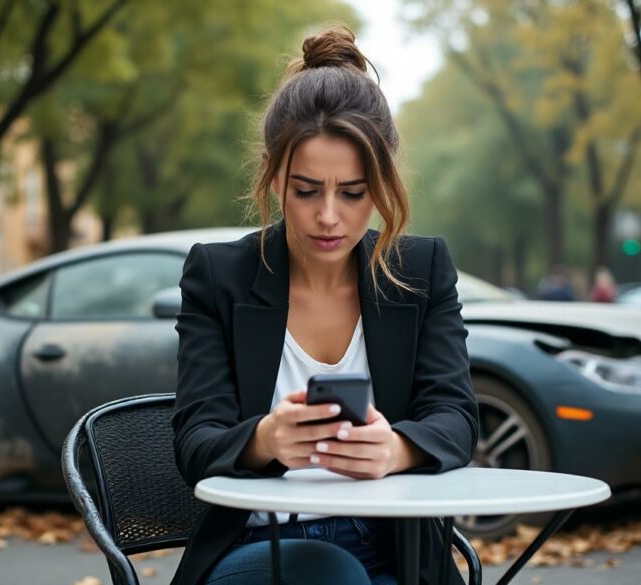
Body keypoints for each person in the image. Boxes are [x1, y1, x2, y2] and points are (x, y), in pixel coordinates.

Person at [170, 27, 479, 585]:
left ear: (381, 183)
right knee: (330, 572)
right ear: (274, 176)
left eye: (353, 193)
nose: (329, 216)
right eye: (307, 190)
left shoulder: (421, 271)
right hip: (256, 546)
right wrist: (266, 439)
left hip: (394, 545)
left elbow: (455, 417)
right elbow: (196, 444)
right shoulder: (219, 276)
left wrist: (396, 449)